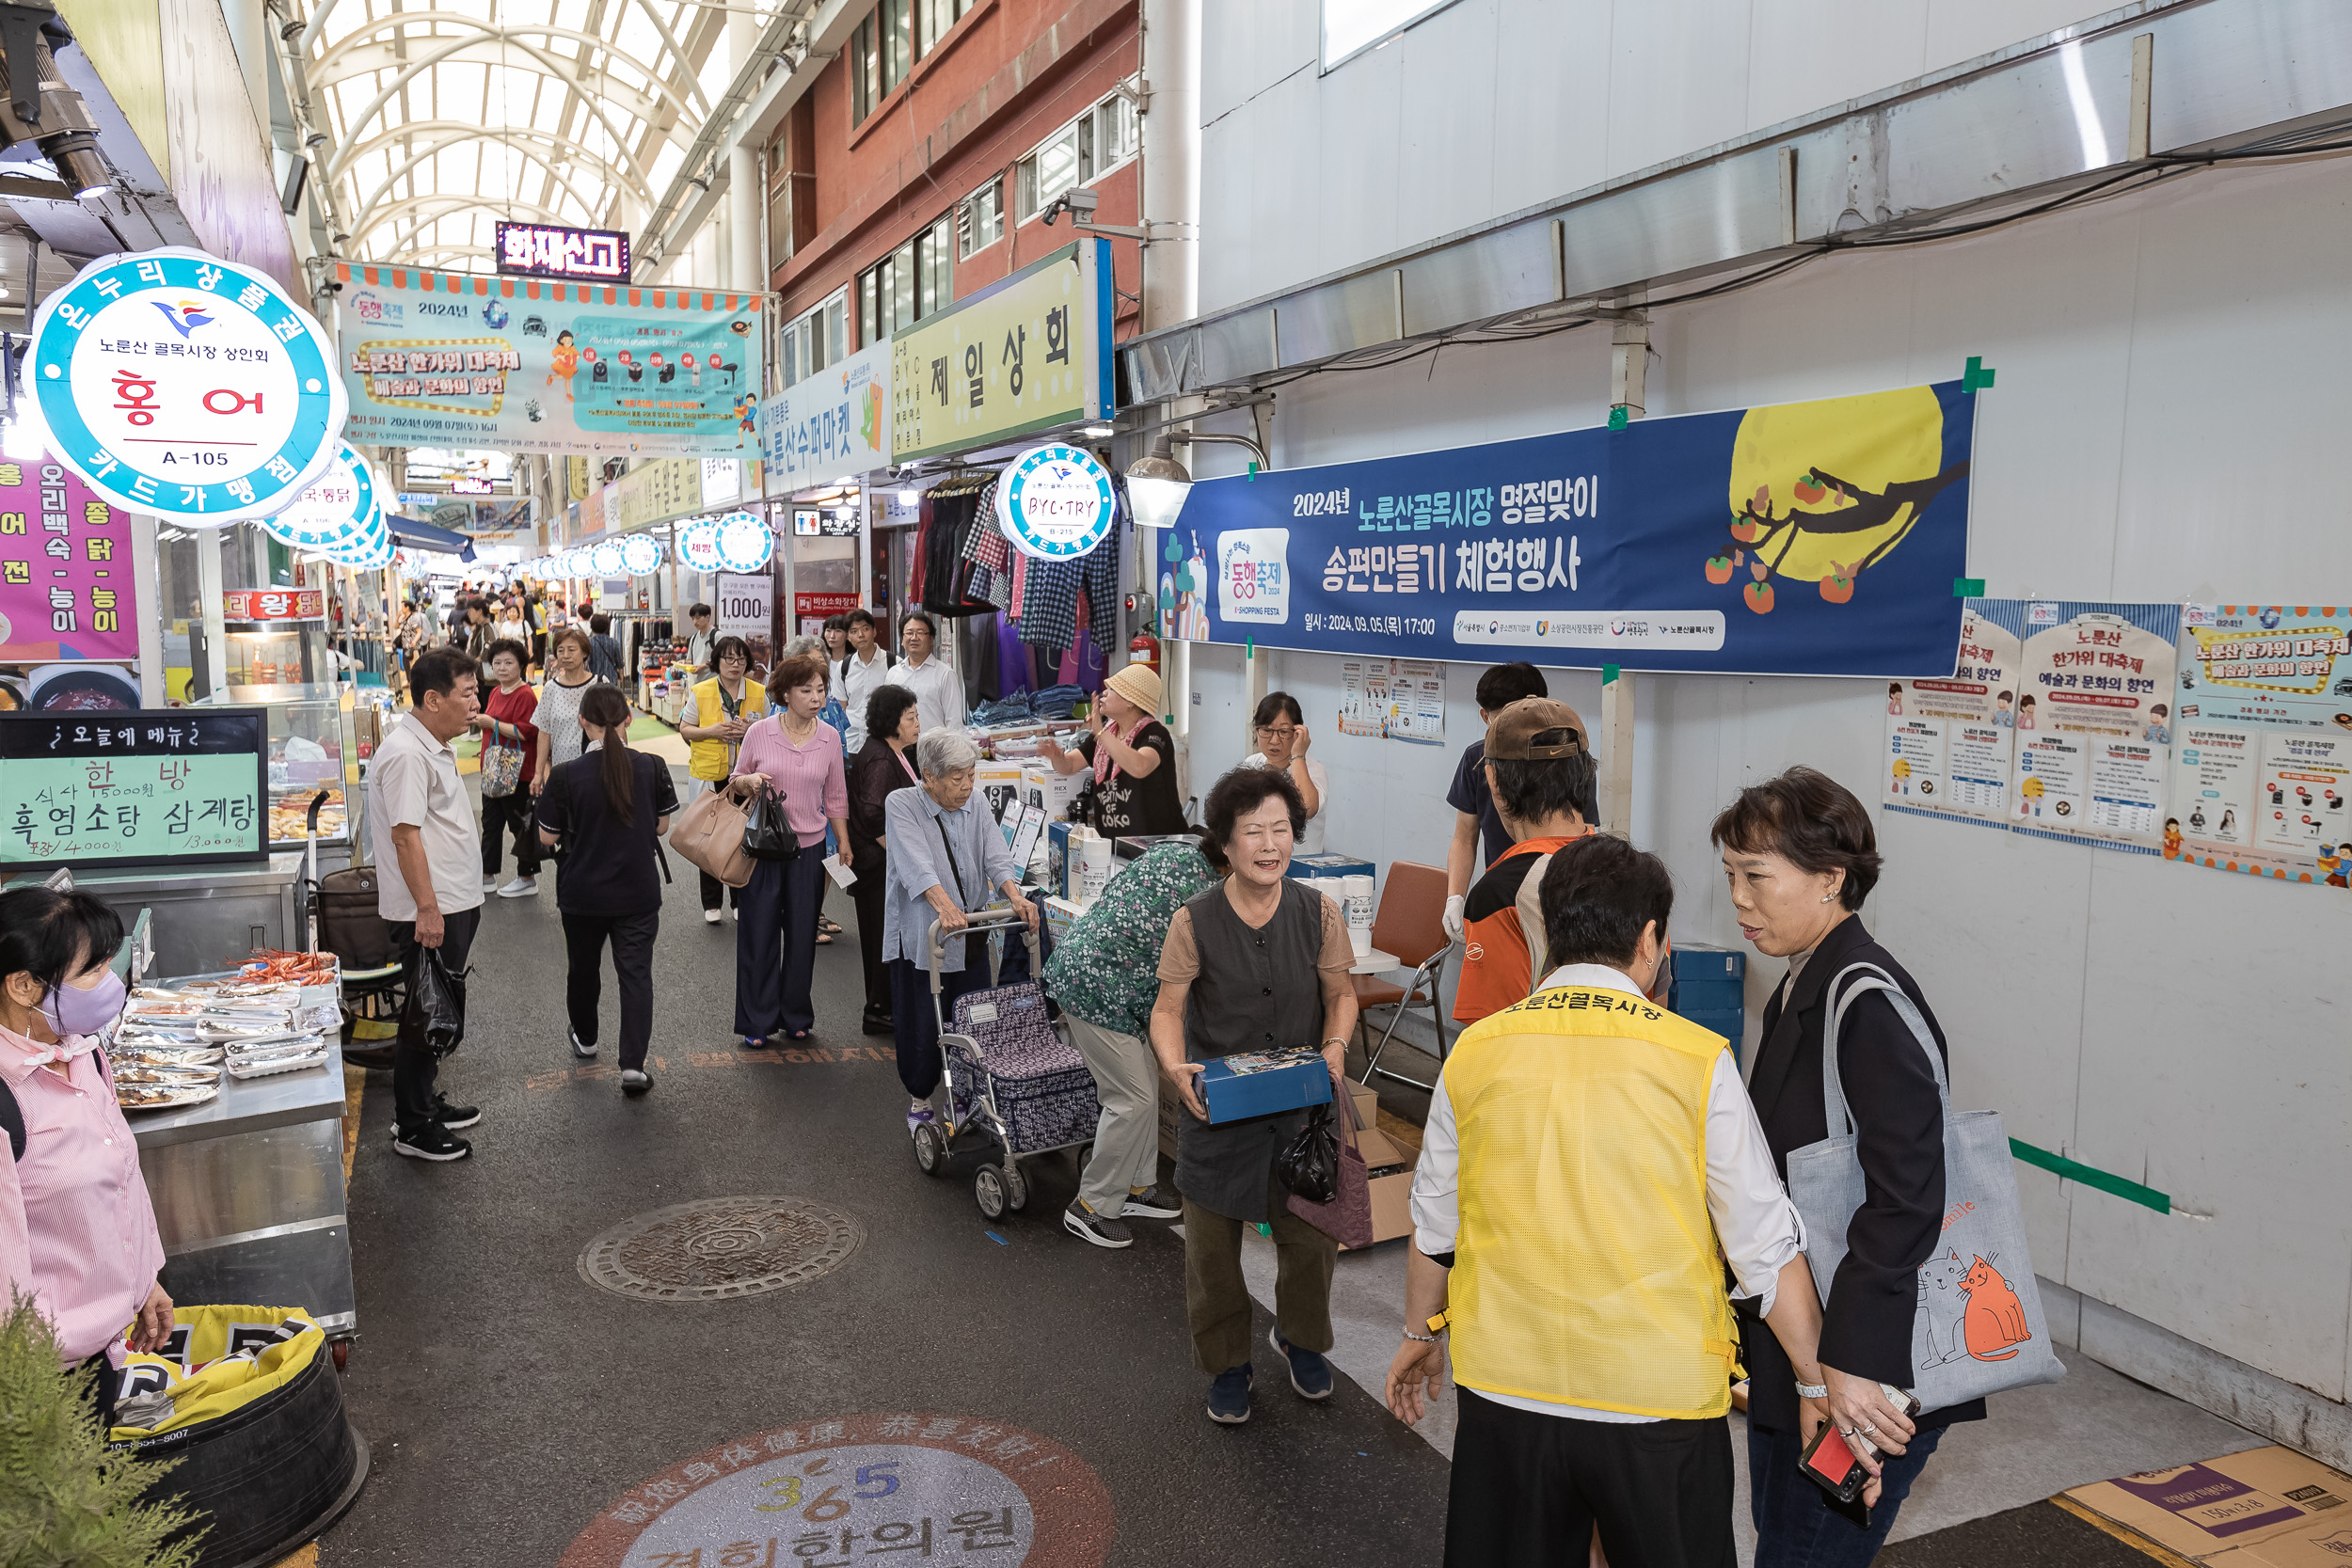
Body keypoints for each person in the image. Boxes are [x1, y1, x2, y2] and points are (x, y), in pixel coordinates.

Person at [1386, 836, 1827, 1568]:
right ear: (1651, 940)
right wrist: (1814, 1381)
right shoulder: (1697, 1058)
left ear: (1549, 934)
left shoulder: (1477, 1050)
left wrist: (1420, 1332)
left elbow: (1436, 1227)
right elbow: (1765, 1250)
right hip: (1657, 1405)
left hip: (1507, 1393)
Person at [1712, 766, 1971, 1563]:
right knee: (1786, 1541)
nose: (1739, 899)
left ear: (1830, 878)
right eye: (1730, 877)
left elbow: (1905, 1199)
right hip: (1807, 1351)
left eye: (1757, 876)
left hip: (1862, 1364)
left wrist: (1845, 1366)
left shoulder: (1864, 999)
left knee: (1803, 1553)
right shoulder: (1802, 985)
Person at [1149, 767, 1357, 1425]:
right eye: (1253, 832)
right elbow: (1167, 1008)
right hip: (1220, 1112)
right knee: (1212, 1255)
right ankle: (1229, 1365)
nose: (1271, 844)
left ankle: (1300, 1337)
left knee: (1312, 1240)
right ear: (1227, 845)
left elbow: (1341, 995)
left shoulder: (1318, 910)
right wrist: (1176, 1067)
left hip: (1300, 1113)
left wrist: (1336, 1046)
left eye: (1281, 829)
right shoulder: (1195, 920)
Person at [0, 886, 174, 1430]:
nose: (111, 983)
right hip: (39, 1382)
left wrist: (143, 1281)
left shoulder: (82, 1052)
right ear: (23, 985)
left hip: (98, 1350)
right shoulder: (7, 1100)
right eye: (91, 972)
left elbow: (121, 1177)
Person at [1043, 834, 1216, 1248]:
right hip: (1098, 990)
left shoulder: (1176, 850)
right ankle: (1091, 1206)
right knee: (1131, 1098)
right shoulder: (1212, 898)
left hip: (1094, 971)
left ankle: (1136, 1187)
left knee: (1146, 1087)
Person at [882, 729, 1038, 1133]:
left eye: (971, 775)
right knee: (923, 1021)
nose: (968, 785)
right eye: (957, 777)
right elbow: (916, 865)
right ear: (929, 776)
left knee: (973, 1017)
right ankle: (920, 1100)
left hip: (971, 931)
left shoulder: (977, 802)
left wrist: (1014, 896)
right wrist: (946, 906)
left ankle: (966, 1096)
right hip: (926, 934)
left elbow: (995, 854)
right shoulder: (901, 804)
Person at [369, 646, 485, 1163]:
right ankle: (414, 1126)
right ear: (433, 699)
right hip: (432, 907)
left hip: (452, 899)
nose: (475, 703)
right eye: (468, 694)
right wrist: (428, 909)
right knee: (424, 1013)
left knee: (436, 1007)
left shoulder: (432, 744)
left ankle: (422, 1104)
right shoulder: (407, 754)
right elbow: (405, 837)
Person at [536, 685, 677, 1094]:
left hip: (582, 894)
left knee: (583, 970)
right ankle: (633, 1066)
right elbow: (661, 827)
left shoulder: (565, 775)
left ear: (583, 721)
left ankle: (586, 1037)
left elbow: (547, 838)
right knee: (636, 976)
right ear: (628, 718)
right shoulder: (651, 765)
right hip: (638, 891)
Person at [725, 651, 850, 1047]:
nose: (816, 697)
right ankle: (756, 1020)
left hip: (809, 849)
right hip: (762, 848)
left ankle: (795, 1013)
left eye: (821, 689)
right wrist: (748, 782)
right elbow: (735, 779)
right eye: (806, 689)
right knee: (758, 934)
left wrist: (843, 841)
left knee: (801, 937)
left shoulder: (830, 738)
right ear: (784, 693)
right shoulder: (760, 732)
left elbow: (836, 796)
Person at [1451, 698, 1597, 1025]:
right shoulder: (1639, 875)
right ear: (1587, 775)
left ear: (1494, 782)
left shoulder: (1501, 892)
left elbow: (1490, 1038)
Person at [1442, 662, 1551, 942]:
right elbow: (1465, 837)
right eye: (1503, 720)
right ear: (1485, 716)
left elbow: (1581, 837)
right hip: (1501, 901)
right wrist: (1455, 896)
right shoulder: (1476, 760)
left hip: (1553, 901)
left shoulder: (1565, 761)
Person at [848, 683, 923, 1037]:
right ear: (893, 722)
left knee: (887, 934)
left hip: (883, 862)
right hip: (878, 864)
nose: (917, 723)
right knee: (883, 935)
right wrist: (901, 857)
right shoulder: (881, 758)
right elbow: (873, 813)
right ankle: (879, 1009)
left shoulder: (898, 751)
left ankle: (885, 1004)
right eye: (911, 717)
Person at [1036, 663, 1186, 837]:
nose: (1104, 692)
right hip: (1115, 847)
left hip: (1157, 849)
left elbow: (1140, 766)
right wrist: (1057, 757)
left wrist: (1101, 732)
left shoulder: (1155, 733)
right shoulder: (1107, 734)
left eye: (1113, 689)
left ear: (1131, 701)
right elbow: (1069, 766)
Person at [676, 635, 767, 923]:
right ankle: (711, 902)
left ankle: (740, 899)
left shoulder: (757, 691)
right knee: (709, 838)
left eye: (741, 659)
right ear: (717, 661)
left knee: (744, 838)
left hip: (746, 775)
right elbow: (685, 729)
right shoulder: (701, 691)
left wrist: (750, 730)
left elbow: (769, 728)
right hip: (709, 775)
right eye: (729, 658)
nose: (735, 664)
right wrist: (712, 732)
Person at [474, 638, 543, 898]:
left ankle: (527, 878)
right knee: (491, 823)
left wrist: (491, 723)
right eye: (497, 663)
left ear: (521, 665)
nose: (502, 668)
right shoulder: (495, 692)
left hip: (517, 771)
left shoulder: (524, 694)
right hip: (494, 769)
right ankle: (486, 875)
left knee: (519, 825)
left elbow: (527, 732)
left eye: (509, 663)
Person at [1243, 692, 1329, 854]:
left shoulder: (1313, 770)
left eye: (1283, 732)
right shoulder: (1251, 765)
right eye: (1267, 730)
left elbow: (1306, 809)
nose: (1274, 740)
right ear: (1256, 730)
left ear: (1298, 732)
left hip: (1300, 868)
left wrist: (1298, 756)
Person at [531, 626, 603, 787]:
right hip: (560, 767)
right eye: (561, 650)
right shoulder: (550, 688)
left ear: (584, 653)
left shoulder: (599, 684)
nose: (566, 655)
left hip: (595, 767)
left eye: (572, 650)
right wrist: (538, 773)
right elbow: (544, 732)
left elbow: (616, 728)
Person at [884, 611, 965, 733]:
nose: (914, 638)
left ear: (931, 639)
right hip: (901, 749)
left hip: (934, 749)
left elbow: (954, 722)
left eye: (920, 633)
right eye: (909, 633)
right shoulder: (893, 673)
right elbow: (887, 714)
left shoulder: (945, 674)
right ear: (902, 639)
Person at [837, 608, 895, 752]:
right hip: (852, 742)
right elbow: (841, 707)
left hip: (885, 743)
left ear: (874, 631)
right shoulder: (843, 667)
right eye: (854, 631)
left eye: (865, 629)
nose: (860, 635)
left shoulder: (893, 664)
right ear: (848, 637)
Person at [586, 612, 624, 683]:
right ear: (607, 627)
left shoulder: (589, 643)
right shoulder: (614, 642)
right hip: (611, 678)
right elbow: (619, 662)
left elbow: (587, 662)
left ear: (592, 627)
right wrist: (621, 675)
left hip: (594, 679)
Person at [685, 603, 714, 671]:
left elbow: (722, 661)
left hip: (712, 680)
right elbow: (693, 661)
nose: (695, 622)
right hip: (697, 680)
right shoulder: (693, 638)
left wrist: (703, 666)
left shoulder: (717, 636)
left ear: (708, 617)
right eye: (692, 618)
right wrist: (684, 662)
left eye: (698, 618)